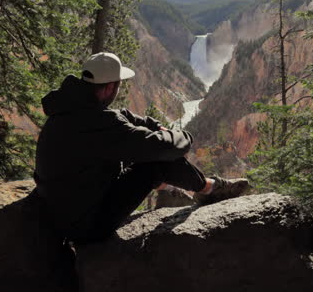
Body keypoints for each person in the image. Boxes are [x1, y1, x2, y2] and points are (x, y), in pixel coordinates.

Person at [32, 52, 249, 244]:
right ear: (110, 87)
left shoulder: (72, 110)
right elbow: (161, 148)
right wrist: (184, 137)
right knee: (155, 163)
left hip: (62, 210)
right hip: (84, 225)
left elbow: (121, 117)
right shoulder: (97, 124)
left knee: (144, 154)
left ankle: (184, 190)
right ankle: (210, 189)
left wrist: (155, 126)